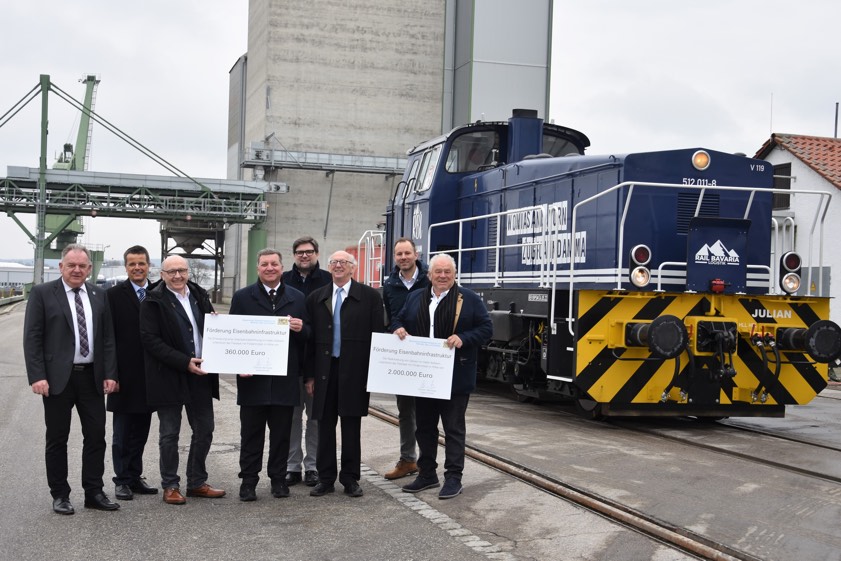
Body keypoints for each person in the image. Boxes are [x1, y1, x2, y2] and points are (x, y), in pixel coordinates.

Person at [24, 243, 120, 514]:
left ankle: (94, 492)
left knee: (96, 436)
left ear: (89, 269)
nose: (77, 270)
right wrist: (37, 376)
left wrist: (110, 373)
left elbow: (108, 338)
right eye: (71, 265)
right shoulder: (43, 293)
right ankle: (60, 495)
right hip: (57, 380)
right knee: (57, 439)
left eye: (82, 266)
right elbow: (32, 337)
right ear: (61, 267)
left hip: (91, 378)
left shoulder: (99, 295)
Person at [391, 253, 492, 500]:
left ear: (455, 275)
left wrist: (464, 338)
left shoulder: (468, 299)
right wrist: (398, 328)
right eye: (438, 271)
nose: (443, 276)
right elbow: (398, 319)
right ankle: (427, 474)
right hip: (424, 375)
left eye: (448, 272)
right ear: (430, 274)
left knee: (453, 429)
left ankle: (453, 477)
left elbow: (486, 328)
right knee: (424, 428)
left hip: (455, 376)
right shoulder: (416, 297)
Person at [139, 255, 225, 505]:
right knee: (169, 434)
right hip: (168, 376)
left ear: (188, 272)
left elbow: (209, 329)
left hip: (201, 375)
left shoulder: (199, 295)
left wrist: (217, 325)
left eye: (181, 270)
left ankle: (197, 482)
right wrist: (183, 361)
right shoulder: (152, 301)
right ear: (162, 274)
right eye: (171, 271)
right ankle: (170, 485)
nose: (177, 276)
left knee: (204, 429)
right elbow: (150, 340)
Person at [230, 248, 310, 501]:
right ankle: (248, 482)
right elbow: (233, 335)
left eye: (274, 264)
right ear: (258, 268)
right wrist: (238, 366)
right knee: (250, 435)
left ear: (281, 267)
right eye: (264, 264)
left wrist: (301, 328)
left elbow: (310, 336)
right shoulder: (243, 297)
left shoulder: (297, 298)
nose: (269, 268)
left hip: (285, 379)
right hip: (252, 379)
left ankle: (278, 480)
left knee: (282, 435)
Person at [306, 250, 384, 498]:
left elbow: (378, 335)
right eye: (334, 262)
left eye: (344, 262)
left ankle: (350, 478)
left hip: (355, 371)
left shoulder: (370, 297)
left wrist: (374, 373)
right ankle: (325, 478)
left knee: (351, 426)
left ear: (353, 268)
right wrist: (310, 376)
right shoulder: (317, 297)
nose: (338, 265)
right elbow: (309, 341)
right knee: (324, 426)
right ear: (329, 267)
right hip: (324, 371)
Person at [106, 245, 159, 501]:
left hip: (151, 376)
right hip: (124, 376)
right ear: (126, 267)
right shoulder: (113, 295)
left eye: (141, 263)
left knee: (141, 431)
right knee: (122, 434)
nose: (137, 268)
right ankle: (122, 480)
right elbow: (108, 338)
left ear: (149, 265)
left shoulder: (160, 292)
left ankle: (135, 476)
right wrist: (111, 374)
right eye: (132, 264)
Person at [281, 236, 331, 487]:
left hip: (319, 360)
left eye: (309, 251)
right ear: (294, 255)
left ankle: (312, 466)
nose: (304, 255)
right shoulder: (282, 281)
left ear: (317, 254)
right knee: (291, 417)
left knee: (315, 418)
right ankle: (292, 466)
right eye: (300, 252)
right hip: (288, 360)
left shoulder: (329, 281)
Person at [380, 238, 430, 480]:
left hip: (428, 354)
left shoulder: (431, 279)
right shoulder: (389, 285)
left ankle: (427, 463)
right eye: (399, 254)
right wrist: (395, 328)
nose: (403, 257)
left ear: (416, 254)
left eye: (407, 253)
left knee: (428, 412)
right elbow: (390, 318)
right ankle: (408, 459)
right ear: (394, 257)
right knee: (405, 410)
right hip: (403, 355)